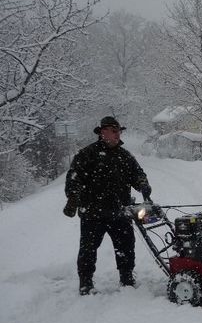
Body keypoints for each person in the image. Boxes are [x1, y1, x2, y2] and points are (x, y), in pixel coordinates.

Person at [63, 116, 152, 295]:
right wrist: (73, 197)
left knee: (126, 246)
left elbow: (138, 174)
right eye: (114, 131)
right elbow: (73, 178)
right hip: (92, 212)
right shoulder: (87, 154)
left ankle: (126, 278)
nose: (117, 134)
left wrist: (143, 185)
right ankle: (86, 282)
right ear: (102, 132)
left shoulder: (125, 156)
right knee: (88, 249)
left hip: (120, 211)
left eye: (118, 131)